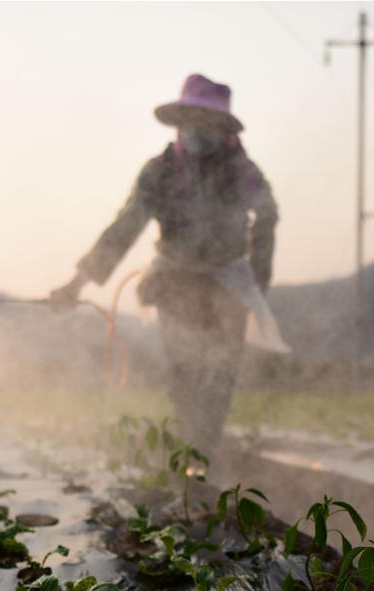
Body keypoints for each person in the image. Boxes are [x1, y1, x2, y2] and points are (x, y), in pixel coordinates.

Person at [49, 73, 286, 451]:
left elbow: (268, 215)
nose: (198, 131)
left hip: (228, 282)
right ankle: (190, 453)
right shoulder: (160, 172)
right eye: (191, 121)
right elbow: (124, 228)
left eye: (207, 123)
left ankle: (204, 450)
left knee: (221, 372)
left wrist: (260, 273)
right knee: (185, 370)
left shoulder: (243, 172)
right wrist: (76, 285)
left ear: (223, 129)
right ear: (180, 124)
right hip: (174, 280)